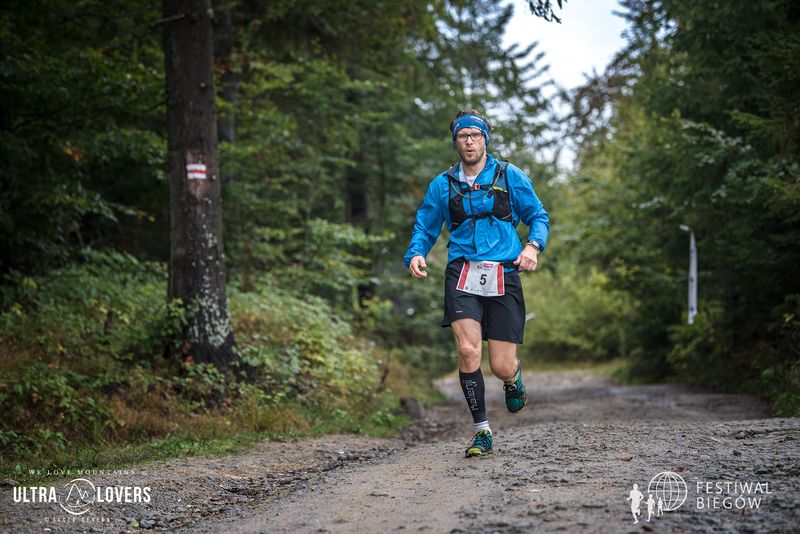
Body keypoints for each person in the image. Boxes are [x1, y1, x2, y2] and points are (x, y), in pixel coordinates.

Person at [403, 109, 550, 457]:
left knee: (500, 365)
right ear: (455, 141)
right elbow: (425, 225)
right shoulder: (442, 184)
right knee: (468, 350)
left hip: (503, 272)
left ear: (485, 139)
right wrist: (416, 252)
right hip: (462, 271)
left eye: (475, 135)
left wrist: (532, 246)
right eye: (462, 136)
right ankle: (482, 431)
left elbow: (538, 216)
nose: (469, 141)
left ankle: (513, 378)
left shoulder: (509, 176)